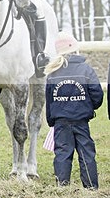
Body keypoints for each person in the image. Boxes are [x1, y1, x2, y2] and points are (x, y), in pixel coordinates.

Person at [44, 32, 102, 189]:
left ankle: (62, 186)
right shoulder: (86, 69)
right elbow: (97, 94)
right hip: (81, 120)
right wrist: (89, 108)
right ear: (75, 50)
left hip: (61, 122)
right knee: (86, 153)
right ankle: (90, 187)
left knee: (62, 153)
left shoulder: (52, 72)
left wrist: (51, 121)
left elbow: (49, 100)